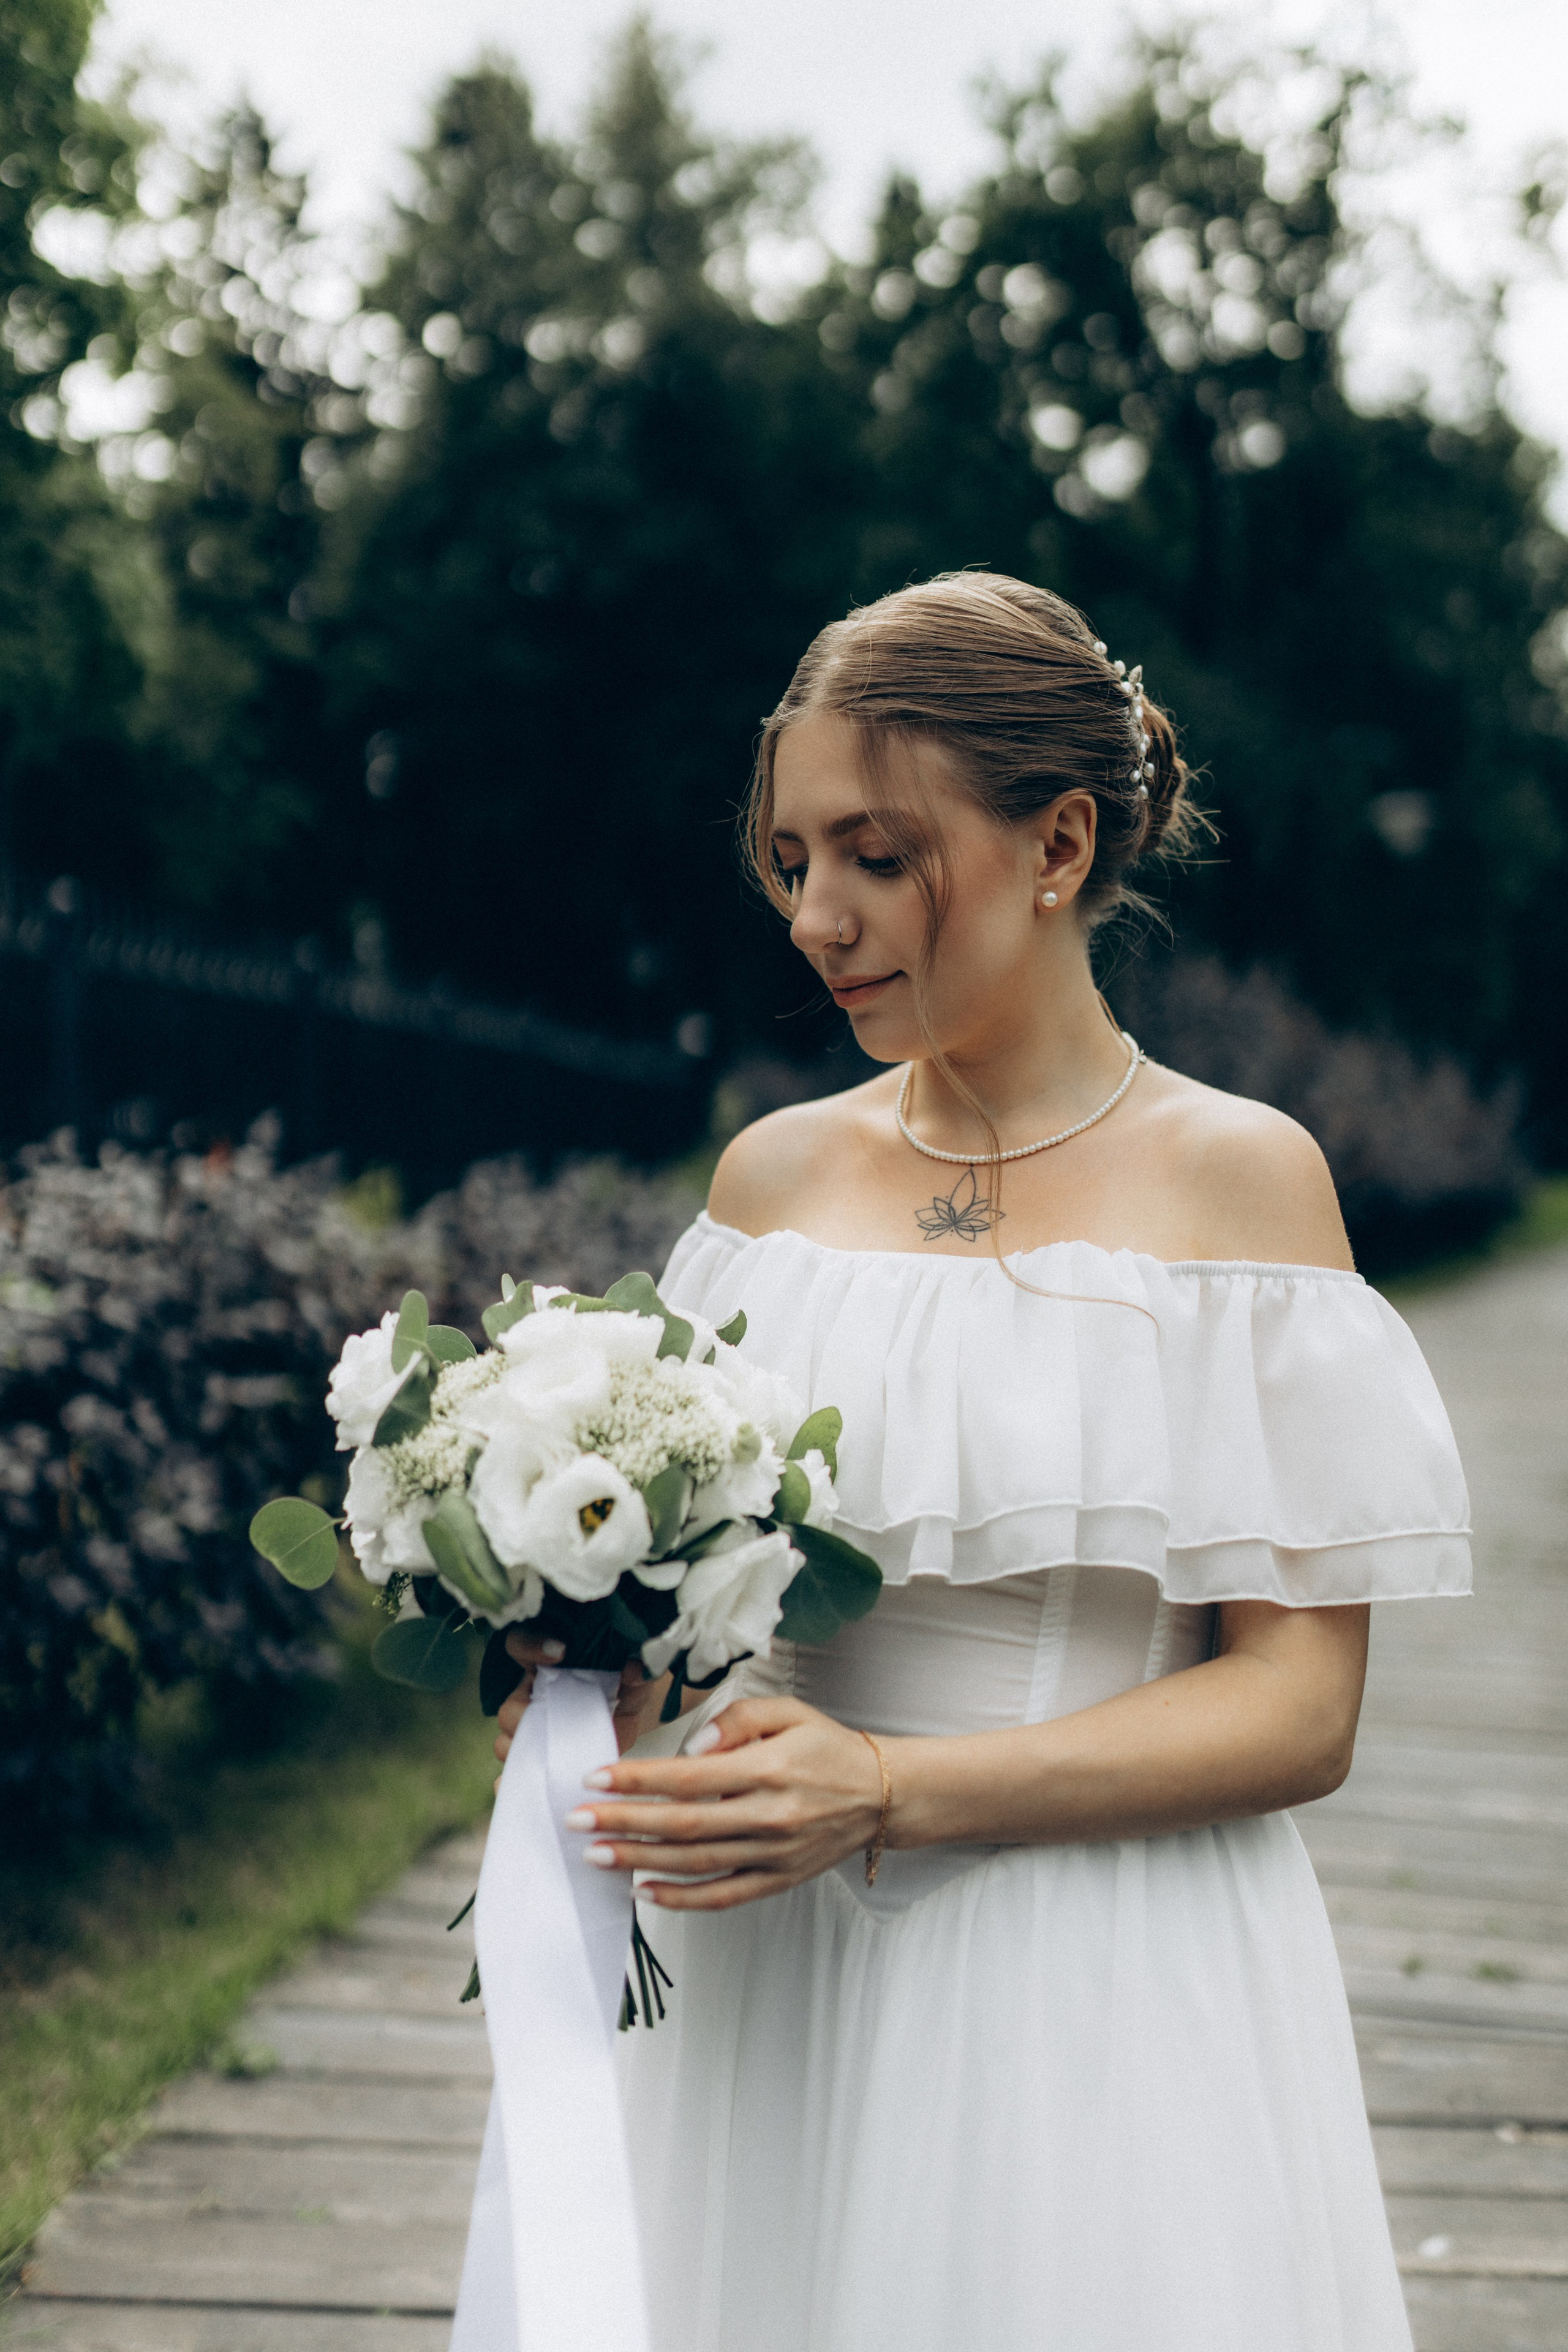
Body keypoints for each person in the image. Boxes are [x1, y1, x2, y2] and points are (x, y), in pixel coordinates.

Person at [494, 574, 1471, 2352]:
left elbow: (1296, 1711)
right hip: (757, 1971)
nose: (818, 916)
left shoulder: (1239, 1190)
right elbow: (694, 1605)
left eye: (877, 853)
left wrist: (888, 1785)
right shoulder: (769, 1185)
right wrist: (587, 1688)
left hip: (1084, 1971)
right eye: (793, 862)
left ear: (1057, 841)